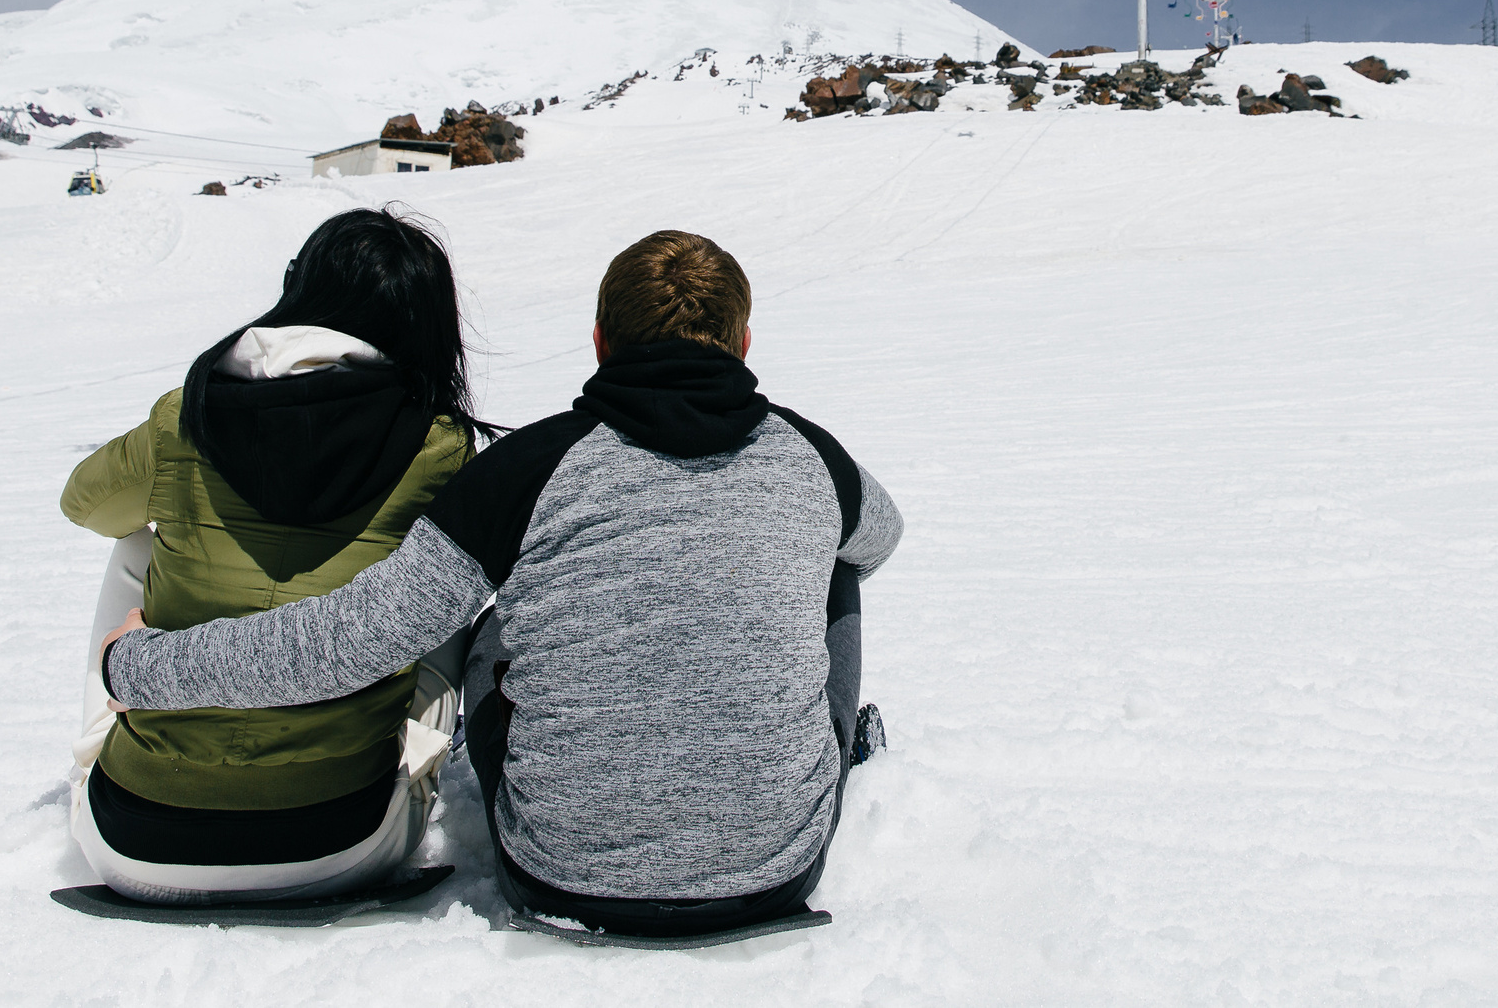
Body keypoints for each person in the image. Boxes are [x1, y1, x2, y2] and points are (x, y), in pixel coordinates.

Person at [99, 229, 903, 942]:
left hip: (560, 872)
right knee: (836, 561)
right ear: (746, 341)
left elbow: (350, 640)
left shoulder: (525, 470)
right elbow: (884, 537)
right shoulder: (814, 458)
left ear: (599, 341)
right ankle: (807, 757)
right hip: (775, 868)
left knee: (489, 623)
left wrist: (136, 665)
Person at [61, 207, 486, 905]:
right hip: (341, 839)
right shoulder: (436, 444)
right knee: (438, 576)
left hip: (136, 837)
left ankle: (115, 720)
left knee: (137, 533)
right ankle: (412, 758)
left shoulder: (189, 414)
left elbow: (85, 503)